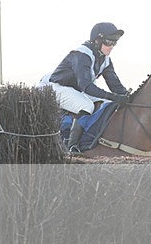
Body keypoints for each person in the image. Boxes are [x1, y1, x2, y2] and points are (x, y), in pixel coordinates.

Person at [39, 22, 130, 151]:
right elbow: (87, 86)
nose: (112, 47)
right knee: (86, 106)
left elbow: (116, 86)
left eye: (114, 43)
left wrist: (129, 97)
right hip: (54, 87)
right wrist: (114, 96)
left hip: (75, 89)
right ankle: (72, 147)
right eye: (108, 42)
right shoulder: (82, 54)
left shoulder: (105, 60)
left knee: (106, 103)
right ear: (97, 40)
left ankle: (90, 138)